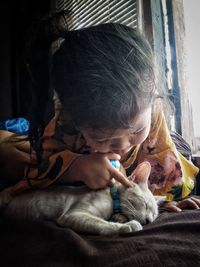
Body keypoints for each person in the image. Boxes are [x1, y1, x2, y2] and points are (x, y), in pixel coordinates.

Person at [0, 23, 199, 211]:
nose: (122, 145)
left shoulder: (151, 112)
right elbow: (37, 167)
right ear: (76, 122)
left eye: (136, 130)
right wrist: (76, 167)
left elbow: (162, 171)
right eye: (103, 138)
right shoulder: (66, 125)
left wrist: (159, 203)